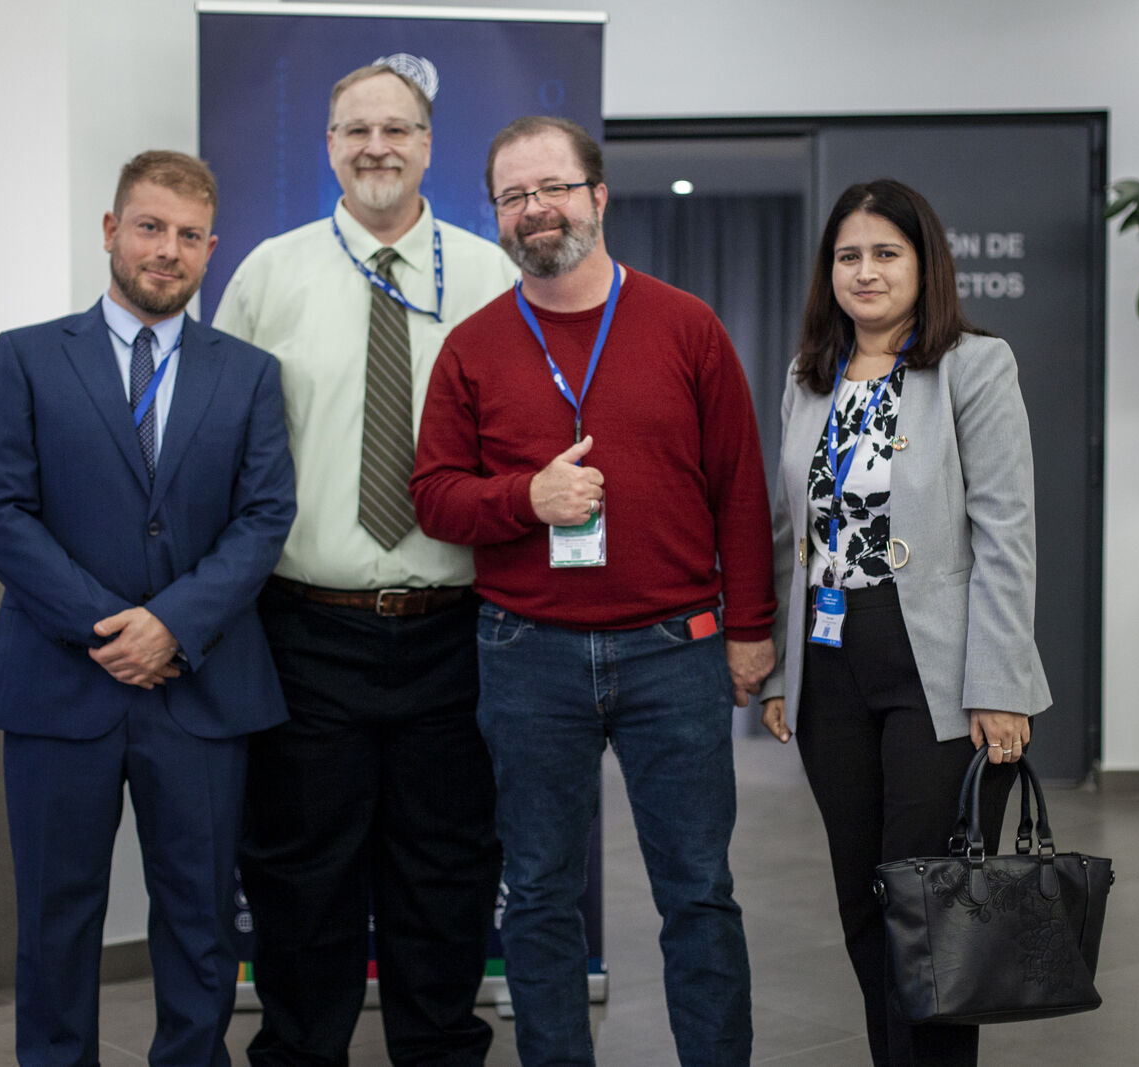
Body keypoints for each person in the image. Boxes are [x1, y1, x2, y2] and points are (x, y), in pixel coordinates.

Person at [410, 115, 775, 1067]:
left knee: (698, 888)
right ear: (497, 215)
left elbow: (740, 486)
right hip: (528, 653)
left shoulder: (687, 327)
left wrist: (752, 630)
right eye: (514, 195)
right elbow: (435, 496)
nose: (537, 210)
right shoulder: (472, 348)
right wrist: (526, 498)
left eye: (555, 188)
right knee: (535, 891)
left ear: (599, 197)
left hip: (676, 650)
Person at [211, 64, 517, 1066]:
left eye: (398, 128)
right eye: (355, 129)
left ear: (430, 143)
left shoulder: (493, 278)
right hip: (306, 630)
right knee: (303, 883)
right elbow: (217, 453)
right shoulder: (267, 274)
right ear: (328, 145)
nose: (376, 145)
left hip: (460, 633)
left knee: (447, 878)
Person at [0, 150, 296, 1066]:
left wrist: (174, 626)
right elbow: (1, 513)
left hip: (200, 688)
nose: (169, 250)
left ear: (211, 251)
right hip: (57, 684)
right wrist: (114, 627)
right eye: (150, 227)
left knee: (197, 920)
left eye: (190, 236)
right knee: (55, 917)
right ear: (111, 232)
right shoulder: (28, 356)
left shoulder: (250, 374)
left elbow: (265, 517)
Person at [758, 178, 1051, 1066]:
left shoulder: (973, 364)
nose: (866, 271)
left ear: (924, 265)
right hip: (830, 662)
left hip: (942, 667)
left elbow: (1007, 532)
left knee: (929, 910)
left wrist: (998, 685)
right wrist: (778, 669)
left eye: (887, 253)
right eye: (849, 255)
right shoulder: (808, 378)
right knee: (862, 900)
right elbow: (787, 535)